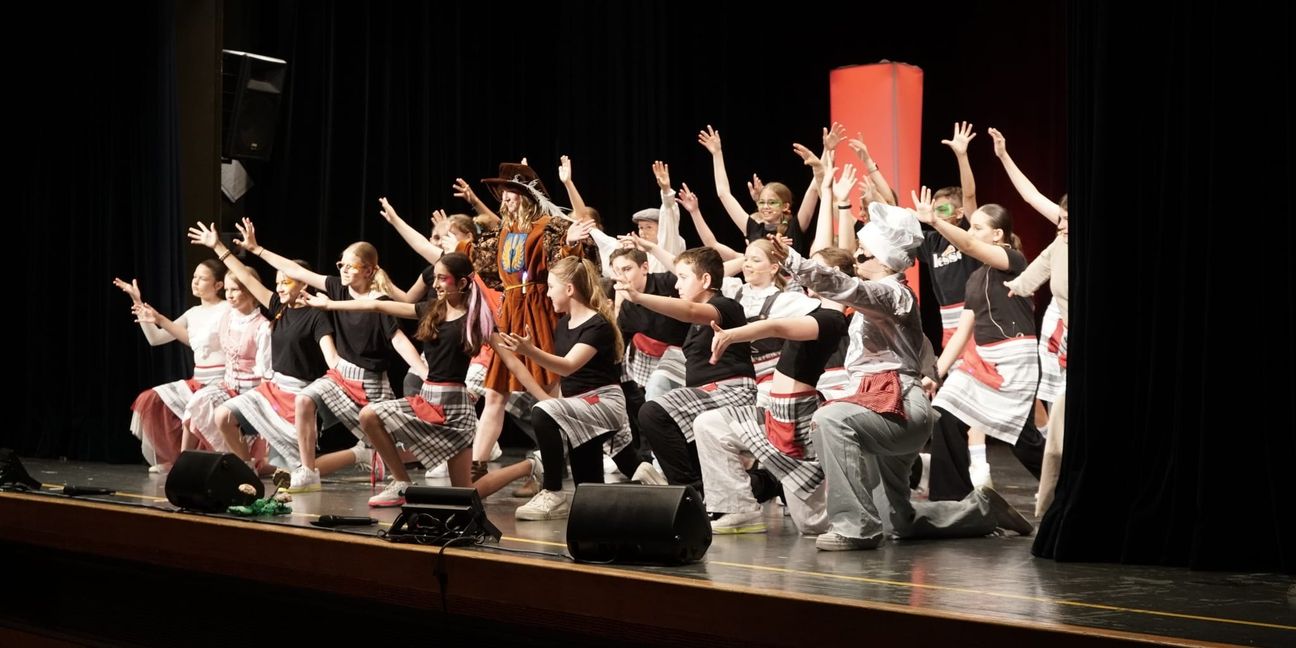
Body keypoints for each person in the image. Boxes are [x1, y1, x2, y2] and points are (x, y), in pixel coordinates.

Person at [786, 199, 1033, 550]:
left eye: (862, 255)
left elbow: (851, 289)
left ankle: (856, 528)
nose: (856, 262)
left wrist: (795, 262)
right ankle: (982, 509)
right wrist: (930, 371)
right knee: (899, 521)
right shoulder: (893, 300)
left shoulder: (891, 293)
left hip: (895, 404)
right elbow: (922, 340)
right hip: (881, 400)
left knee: (830, 420)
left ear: (885, 261)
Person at [232, 218, 426, 492]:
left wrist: (423, 371)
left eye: (350, 265)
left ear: (368, 271)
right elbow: (293, 269)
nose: (343, 270)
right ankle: (309, 471)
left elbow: (399, 341)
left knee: (382, 439)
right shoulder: (336, 287)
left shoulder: (381, 303)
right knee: (305, 399)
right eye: (341, 264)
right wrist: (257, 249)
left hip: (370, 382)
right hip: (340, 375)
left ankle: (401, 480)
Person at [498, 257, 641, 520]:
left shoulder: (597, 325)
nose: (548, 292)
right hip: (580, 404)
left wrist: (530, 351)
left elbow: (568, 366)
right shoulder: (563, 324)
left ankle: (552, 491)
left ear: (569, 289)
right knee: (589, 491)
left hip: (603, 402)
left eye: (551, 286)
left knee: (542, 410)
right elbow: (568, 380)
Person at [618, 247, 757, 494]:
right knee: (669, 425)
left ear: (705, 280)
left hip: (731, 392)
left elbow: (690, 311)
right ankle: (710, 490)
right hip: (705, 394)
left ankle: (689, 492)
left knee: (653, 411)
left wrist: (639, 297)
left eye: (683, 278)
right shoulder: (694, 325)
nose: (676, 285)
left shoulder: (725, 307)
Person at [115, 261, 229, 472]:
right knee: (151, 398)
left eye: (202, 278)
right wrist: (137, 301)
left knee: (198, 408)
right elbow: (155, 338)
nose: (195, 282)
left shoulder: (227, 309)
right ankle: (177, 457)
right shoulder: (192, 313)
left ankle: (188, 462)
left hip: (221, 383)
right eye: (194, 276)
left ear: (218, 285)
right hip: (199, 381)